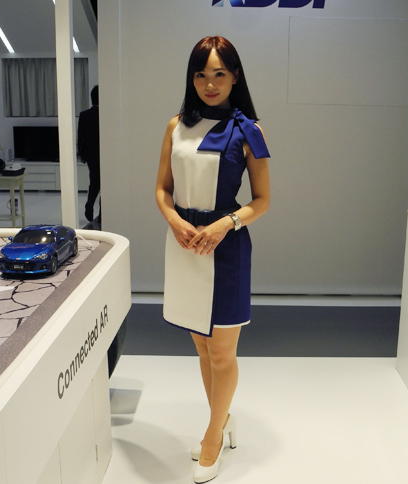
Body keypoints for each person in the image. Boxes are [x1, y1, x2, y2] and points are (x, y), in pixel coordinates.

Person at [154, 36, 270, 483]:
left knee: (221, 353)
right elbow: (163, 189)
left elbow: (262, 200)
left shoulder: (249, 130)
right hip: (184, 245)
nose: (210, 83)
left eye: (219, 74)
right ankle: (220, 421)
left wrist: (226, 223)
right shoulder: (176, 126)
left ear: (235, 77)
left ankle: (212, 436)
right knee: (201, 346)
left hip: (226, 249)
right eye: (201, 74)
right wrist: (173, 220)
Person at [77, 85, 100, 222]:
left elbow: (81, 136)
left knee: (94, 180)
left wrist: (81, 154)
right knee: (106, 182)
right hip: (106, 154)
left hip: (91, 153)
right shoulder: (106, 114)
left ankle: (90, 202)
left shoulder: (84, 115)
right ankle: (102, 212)